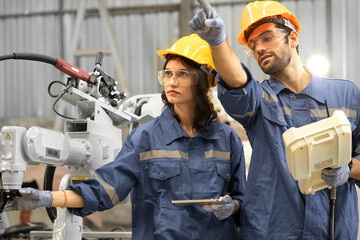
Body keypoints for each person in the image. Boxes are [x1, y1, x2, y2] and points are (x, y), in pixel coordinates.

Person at [4, 34, 246, 240]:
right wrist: (46, 198)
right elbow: (104, 190)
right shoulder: (146, 138)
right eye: (168, 73)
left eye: (182, 74)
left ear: (204, 80)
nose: (172, 81)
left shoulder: (227, 139)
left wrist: (232, 206)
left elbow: (242, 199)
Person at [190, 1, 360, 239]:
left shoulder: (347, 96)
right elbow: (237, 83)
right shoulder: (259, 101)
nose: (258, 48)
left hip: (333, 231)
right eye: (253, 45)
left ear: (292, 38)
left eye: (266, 38)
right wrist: (218, 42)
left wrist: (349, 167)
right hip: (272, 232)